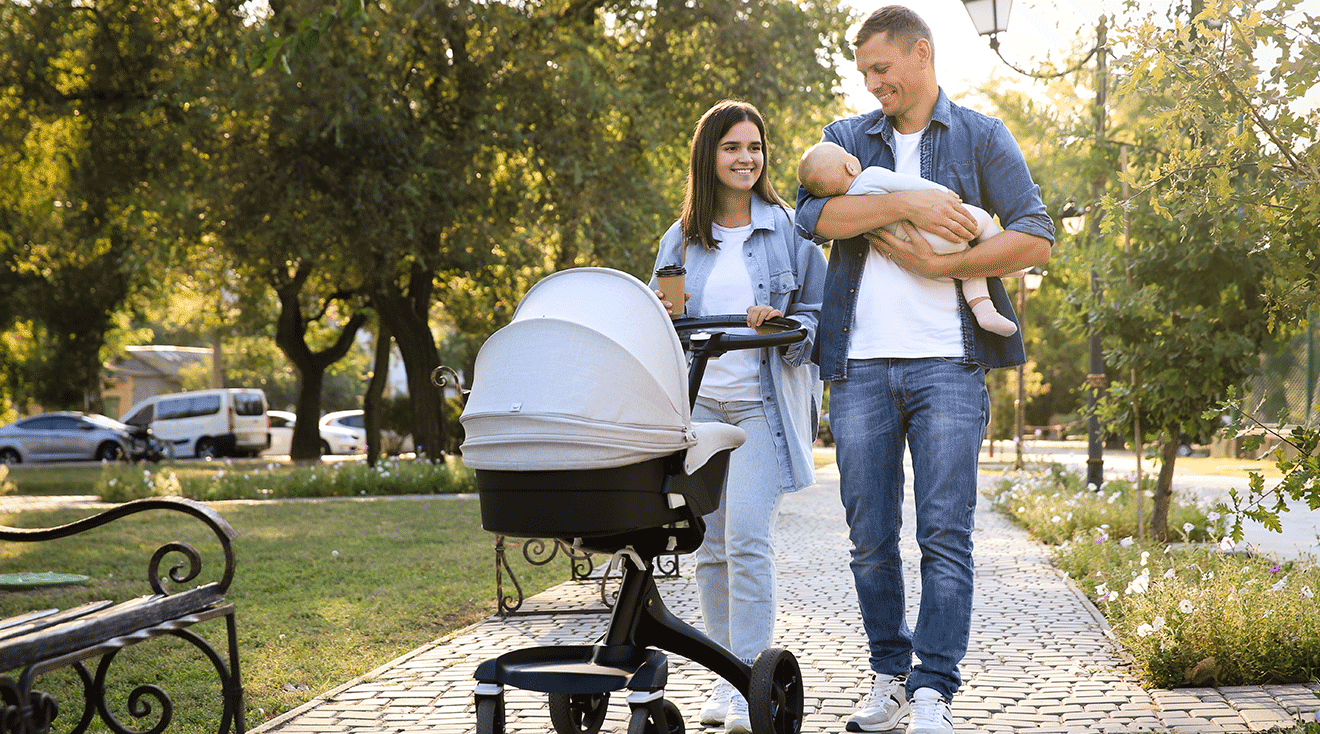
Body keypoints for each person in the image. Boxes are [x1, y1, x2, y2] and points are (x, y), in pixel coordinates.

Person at [794, 7, 1053, 734]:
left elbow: (1035, 236)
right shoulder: (847, 139)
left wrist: (943, 264)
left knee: (945, 535)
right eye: (865, 73)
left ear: (921, 53)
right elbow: (811, 218)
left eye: (883, 69)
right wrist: (908, 201)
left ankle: (935, 688)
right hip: (861, 368)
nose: (873, 84)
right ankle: (890, 676)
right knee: (870, 538)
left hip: (950, 366)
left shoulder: (979, 134)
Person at [650, 99, 826, 734]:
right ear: (709, 156)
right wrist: (669, 318)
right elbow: (660, 324)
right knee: (710, 548)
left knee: (747, 541)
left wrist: (780, 325)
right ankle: (723, 684)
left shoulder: (788, 229)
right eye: (732, 148)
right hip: (699, 407)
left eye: (754, 148)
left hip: (759, 408)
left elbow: (819, 315)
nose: (746, 159)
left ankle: (750, 679)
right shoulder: (679, 239)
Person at [797, 141, 1018, 337]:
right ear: (851, 166)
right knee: (981, 225)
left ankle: (984, 311)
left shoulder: (848, 207)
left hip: (912, 245)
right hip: (936, 227)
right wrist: (942, 193)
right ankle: (1004, 262)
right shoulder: (871, 175)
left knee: (965, 268)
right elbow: (910, 187)